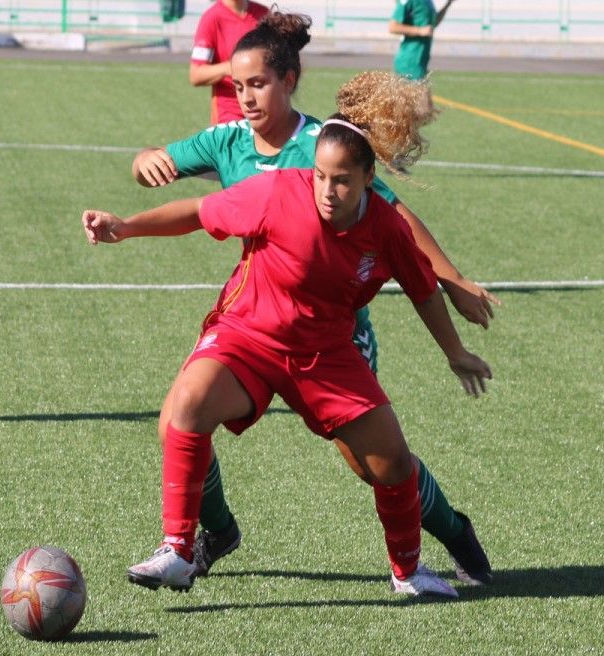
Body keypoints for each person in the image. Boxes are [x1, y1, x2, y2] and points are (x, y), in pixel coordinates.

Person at [82, 75, 493, 596]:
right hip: (247, 336)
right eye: (320, 176)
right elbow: (197, 213)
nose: (326, 190)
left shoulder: (386, 228)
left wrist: (456, 352)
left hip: (326, 352)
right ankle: (179, 550)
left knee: (389, 465)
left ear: (370, 178)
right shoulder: (278, 191)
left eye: (341, 180)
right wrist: (127, 226)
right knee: (185, 409)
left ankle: (409, 572)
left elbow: (421, 289)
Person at [189, 0, 269, 125]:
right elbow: (196, 74)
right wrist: (232, 67)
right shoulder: (211, 18)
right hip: (229, 116)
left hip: (264, 111)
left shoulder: (264, 14)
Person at [389, 0, 456, 81]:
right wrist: (419, 31)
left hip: (421, 62)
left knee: (425, 92)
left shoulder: (428, 2)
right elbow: (393, 27)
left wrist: (448, 4)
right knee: (418, 93)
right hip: (409, 63)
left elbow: (433, 23)